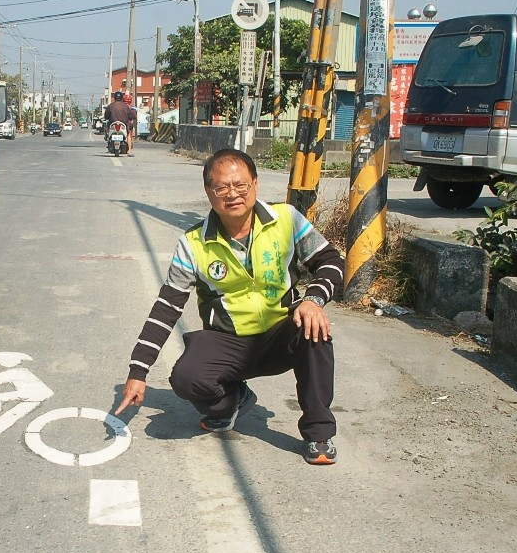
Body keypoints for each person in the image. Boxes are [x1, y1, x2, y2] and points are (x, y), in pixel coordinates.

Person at [113, 148, 345, 464]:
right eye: (222, 187)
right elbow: (167, 306)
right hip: (229, 342)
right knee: (186, 376)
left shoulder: (286, 219)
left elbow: (330, 260)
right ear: (209, 192)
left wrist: (314, 299)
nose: (232, 194)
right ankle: (232, 400)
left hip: (280, 334)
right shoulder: (193, 243)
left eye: (240, 185)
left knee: (315, 328)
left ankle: (319, 434)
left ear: (255, 184)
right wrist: (138, 371)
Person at [104, 91, 135, 156]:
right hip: (123, 126)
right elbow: (130, 116)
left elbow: (106, 116)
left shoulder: (110, 106)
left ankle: (106, 135)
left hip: (112, 125)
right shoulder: (126, 107)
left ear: (115, 98)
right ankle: (129, 150)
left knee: (107, 126)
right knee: (129, 134)